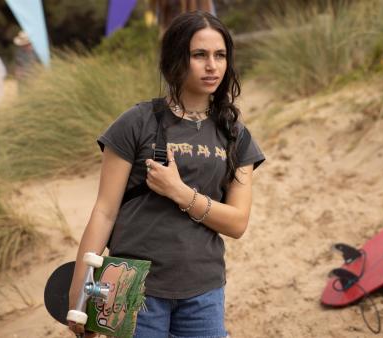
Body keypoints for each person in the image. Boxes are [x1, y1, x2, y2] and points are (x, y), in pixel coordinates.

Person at [68, 11, 265, 338]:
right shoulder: (136, 122)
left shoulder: (236, 136)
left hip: (203, 289)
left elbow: (237, 223)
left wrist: (178, 191)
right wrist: (80, 294)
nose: (212, 65)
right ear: (177, 58)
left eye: (220, 55)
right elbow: (104, 211)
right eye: (199, 55)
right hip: (133, 285)